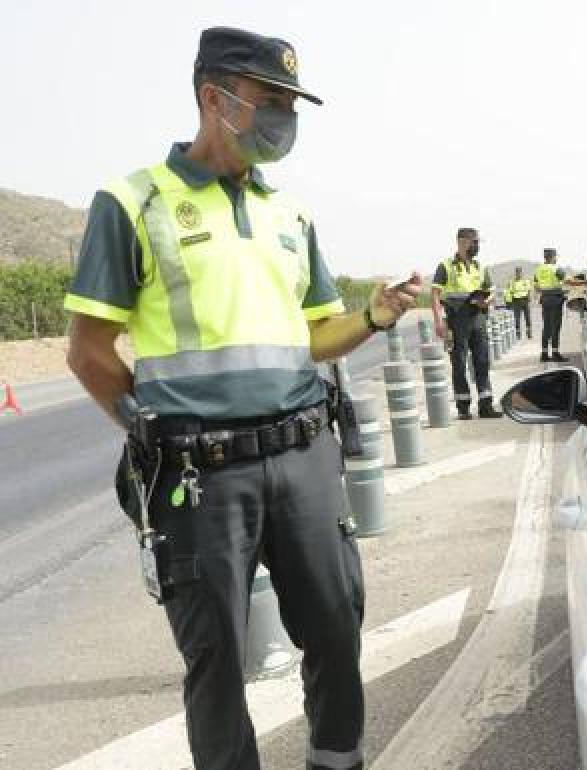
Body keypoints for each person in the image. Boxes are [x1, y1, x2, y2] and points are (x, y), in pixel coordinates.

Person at [62, 27, 421, 770]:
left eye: (292, 104)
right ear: (213, 98)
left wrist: (376, 315)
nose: (283, 118)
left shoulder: (291, 216)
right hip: (200, 476)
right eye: (270, 101)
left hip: (304, 459)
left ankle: (338, 760)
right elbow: (88, 351)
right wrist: (147, 431)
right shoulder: (133, 203)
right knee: (217, 656)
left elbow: (317, 334)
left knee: (335, 627)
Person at [431, 227, 504, 419]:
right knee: (459, 362)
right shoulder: (446, 266)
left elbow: (492, 289)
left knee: (482, 361)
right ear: (462, 242)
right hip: (457, 319)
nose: (477, 246)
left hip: (478, 317)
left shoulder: (480, 267)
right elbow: (435, 295)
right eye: (475, 242)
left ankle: (486, 405)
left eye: (478, 242)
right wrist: (439, 322)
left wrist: (487, 300)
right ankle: (463, 407)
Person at [534, 247, 568, 362]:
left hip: (544, 299)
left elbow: (536, 287)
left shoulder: (538, 269)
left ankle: (544, 354)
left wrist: (545, 291)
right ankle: (555, 353)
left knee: (547, 327)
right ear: (553, 257)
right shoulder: (557, 268)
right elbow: (566, 281)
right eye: (556, 256)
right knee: (556, 327)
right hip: (556, 299)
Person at [506, 266, 533, 339]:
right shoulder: (512, 282)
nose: (518, 274)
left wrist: (529, 298)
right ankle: (518, 334)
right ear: (516, 273)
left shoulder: (525, 281)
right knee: (517, 318)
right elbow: (510, 292)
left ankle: (529, 332)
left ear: (521, 273)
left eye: (519, 272)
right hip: (516, 301)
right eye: (517, 272)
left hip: (524, 300)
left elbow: (528, 290)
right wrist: (509, 302)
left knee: (527, 317)